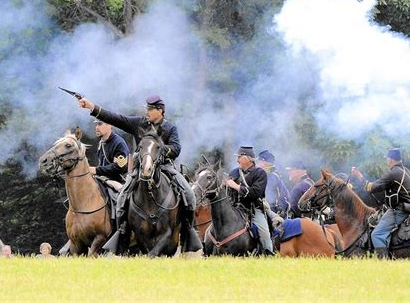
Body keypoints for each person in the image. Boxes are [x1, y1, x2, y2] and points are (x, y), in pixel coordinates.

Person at [77, 95, 202, 253]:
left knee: (189, 194)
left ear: (160, 111)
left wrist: (158, 149)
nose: (147, 111)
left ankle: (187, 232)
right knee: (122, 197)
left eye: (150, 109)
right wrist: (91, 106)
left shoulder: (170, 128)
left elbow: (176, 149)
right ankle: (123, 231)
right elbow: (116, 118)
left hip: (163, 167)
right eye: (146, 108)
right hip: (140, 168)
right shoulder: (139, 123)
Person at [351, 148, 410, 258]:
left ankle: (383, 263)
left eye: (387, 159)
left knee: (377, 234)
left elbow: (371, 187)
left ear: (390, 160)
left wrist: (359, 175)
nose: (387, 161)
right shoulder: (407, 171)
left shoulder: (393, 173)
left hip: (398, 210)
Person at [225, 146, 274, 255]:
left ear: (248, 158)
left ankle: (268, 253)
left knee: (264, 233)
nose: (237, 160)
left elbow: (255, 193)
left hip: (253, 210)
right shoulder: (234, 173)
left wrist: (236, 186)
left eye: (239, 157)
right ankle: (207, 249)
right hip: (233, 208)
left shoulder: (260, 173)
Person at [92, 119, 130, 186]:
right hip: (102, 179)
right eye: (96, 124)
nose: (97, 127)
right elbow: (102, 164)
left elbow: (119, 167)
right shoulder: (101, 143)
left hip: (118, 181)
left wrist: (96, 170)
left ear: (110, 125)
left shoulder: (119, 143)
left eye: (100, 124)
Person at [257, 150, 290, 218]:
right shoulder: (254, 174)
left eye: (260, 161)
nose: (258, 164)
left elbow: (285, 196)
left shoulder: (275, 177)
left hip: (271, 211)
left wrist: (281, 210)